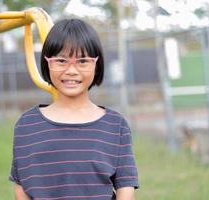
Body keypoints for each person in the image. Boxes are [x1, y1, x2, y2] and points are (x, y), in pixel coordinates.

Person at [9, 18, 139, 200]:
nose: (71, 70)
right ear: (47, 62)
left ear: (97, 64)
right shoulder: (27, 124)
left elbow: (126, 189)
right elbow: (21, 188)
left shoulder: (116, 125)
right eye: (61, 60)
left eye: (83, 61)